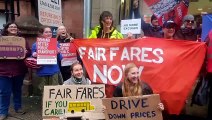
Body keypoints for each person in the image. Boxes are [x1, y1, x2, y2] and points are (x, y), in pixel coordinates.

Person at [0, 22, 31, 120]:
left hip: (19, 70)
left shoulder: (22, 40)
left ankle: (18, 108)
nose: (13, 28)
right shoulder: (1, 40)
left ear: (17, 29)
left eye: (15, 27)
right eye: (11, 26)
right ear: (7, 29)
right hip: (3, 71)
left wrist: (26, 52)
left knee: (17, 90)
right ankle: (3, 112)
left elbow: (29, 52)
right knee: (5, 92)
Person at [31, 26, 62, 93]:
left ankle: (53, 104)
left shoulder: (56, 43)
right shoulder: (35, 45)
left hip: (53, 71)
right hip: (42, 71)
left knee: (54, 92)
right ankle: (44, 104)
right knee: (44, 92)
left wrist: (58, 53)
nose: (49, 33)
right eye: (46, 32)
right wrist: (34, 55)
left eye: (50, 32)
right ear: (42, 34)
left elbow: (60, 59)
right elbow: (31, 60)